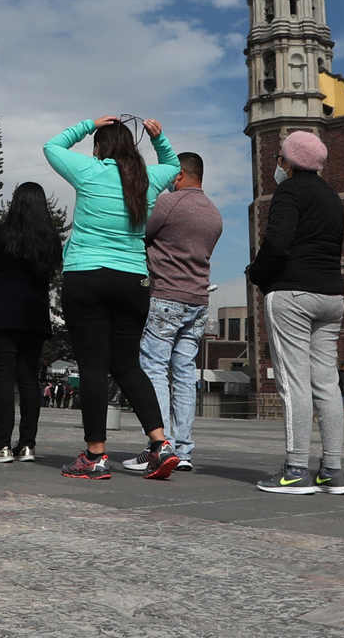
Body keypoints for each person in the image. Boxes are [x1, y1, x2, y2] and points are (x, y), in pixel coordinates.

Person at [44, 115, 183, 481]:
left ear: (98, 148)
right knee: (126, 365)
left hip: (86, 276)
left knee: (92, 365)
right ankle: (160, 444)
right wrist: (160, 138)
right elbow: (173, 166)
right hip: (133, 280)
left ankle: (95, 456)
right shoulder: (148, 179)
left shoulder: (89, 170)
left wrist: (88, 123)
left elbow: (51, 147)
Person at [250, 130, 344, 496]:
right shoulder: (332, 197)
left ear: (290, 161)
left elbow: (276, 244)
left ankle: (294, 469)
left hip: (293, 291)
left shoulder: (288, 191)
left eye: (280, 156)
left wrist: (257, 276)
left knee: (293, 384)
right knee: (326, 383)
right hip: (332, 296)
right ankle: (332, 471)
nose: (277, 162)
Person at [133, 152, 222, 474]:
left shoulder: (168, 203)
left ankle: (162, 444)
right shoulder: (214, 213)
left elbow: (140, 234)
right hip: (198, 302)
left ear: (181, 174)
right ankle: (182, 449)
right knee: (184, 373)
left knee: (154, 368)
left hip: (166, 296)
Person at [0, 183, 61, 463]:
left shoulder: (4, 233)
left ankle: (1, 444)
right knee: (29, 379)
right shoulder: (50, 238)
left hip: (3, 311)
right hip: (34, 314)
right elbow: (55, 267)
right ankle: (27, 444)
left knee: (4, 377)